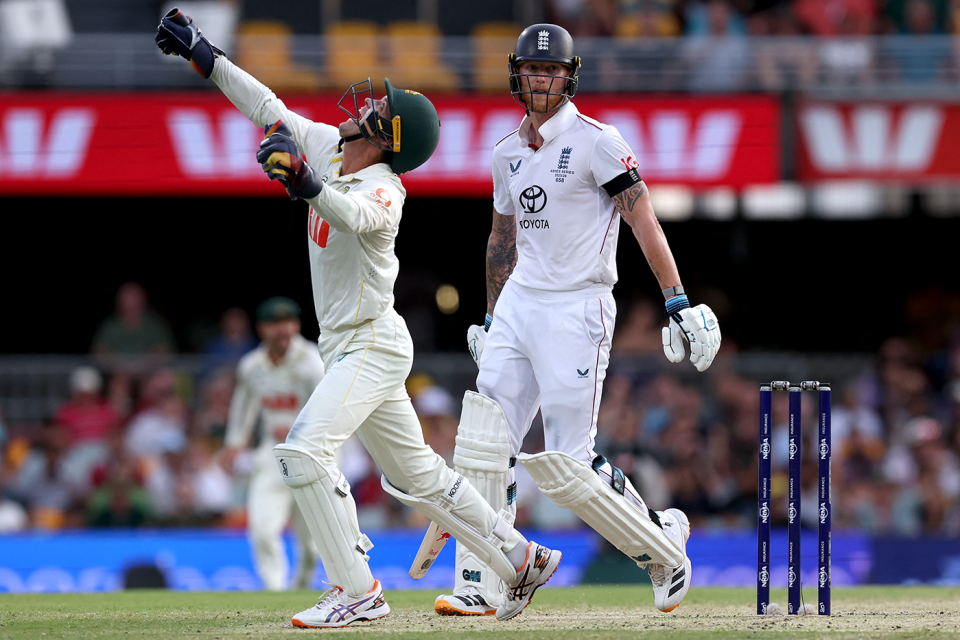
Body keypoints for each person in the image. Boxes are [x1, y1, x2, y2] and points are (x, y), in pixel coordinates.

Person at [156, 7, 561, 627]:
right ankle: (520, 556)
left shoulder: (385, 189)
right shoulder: (330, 148)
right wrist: (204, 56)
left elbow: (356, 217)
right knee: (419, 475)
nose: (365, 103)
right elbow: (268, 107)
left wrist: (306, 184)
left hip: (371, 343)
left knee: (302, 450)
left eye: (378, 108)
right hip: (352, 344)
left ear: (387, 136)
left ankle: (357, 589)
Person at [435, 23, 721, 617]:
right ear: (516, 74)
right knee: (484, 444)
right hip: (519, 303)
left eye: (552, 70)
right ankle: (486, 581)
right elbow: (501, 240)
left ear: (569, 77)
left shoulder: (598, 142)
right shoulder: (506, 152)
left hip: (578, 304)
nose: (541, 79)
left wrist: (676, 300)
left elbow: (643, 219)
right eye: (532, 69)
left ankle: (663, 546)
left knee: (567, 466)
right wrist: (490, 317)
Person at [220, 297, 325, 591]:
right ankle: (274, 592)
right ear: (262, 329)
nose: (284, 330)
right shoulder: (252, 366)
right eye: (276, 323)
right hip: (272, 453)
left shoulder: (312, 362)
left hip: (314, 455)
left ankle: (300, 588)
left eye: (289, 322)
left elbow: (329, 408)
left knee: (312, 545)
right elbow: (243, 406)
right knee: (262, 529)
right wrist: (234, 443)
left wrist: (305, 433)